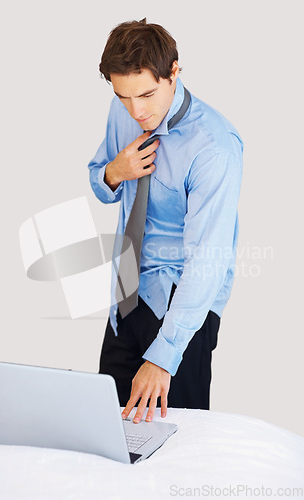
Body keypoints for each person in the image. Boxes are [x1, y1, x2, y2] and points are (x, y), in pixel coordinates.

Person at [88, 18, 243, 424]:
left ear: (174, 70)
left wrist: (164, 356)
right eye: (124, 97)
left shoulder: (214, 148)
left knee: (178, 448)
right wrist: (115, 172)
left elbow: (207, 262)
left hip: (182, 308)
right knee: (108, 434)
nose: (137, 111)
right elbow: (99, 176)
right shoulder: (124, 111)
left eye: (147, 94)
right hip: (125, 295)